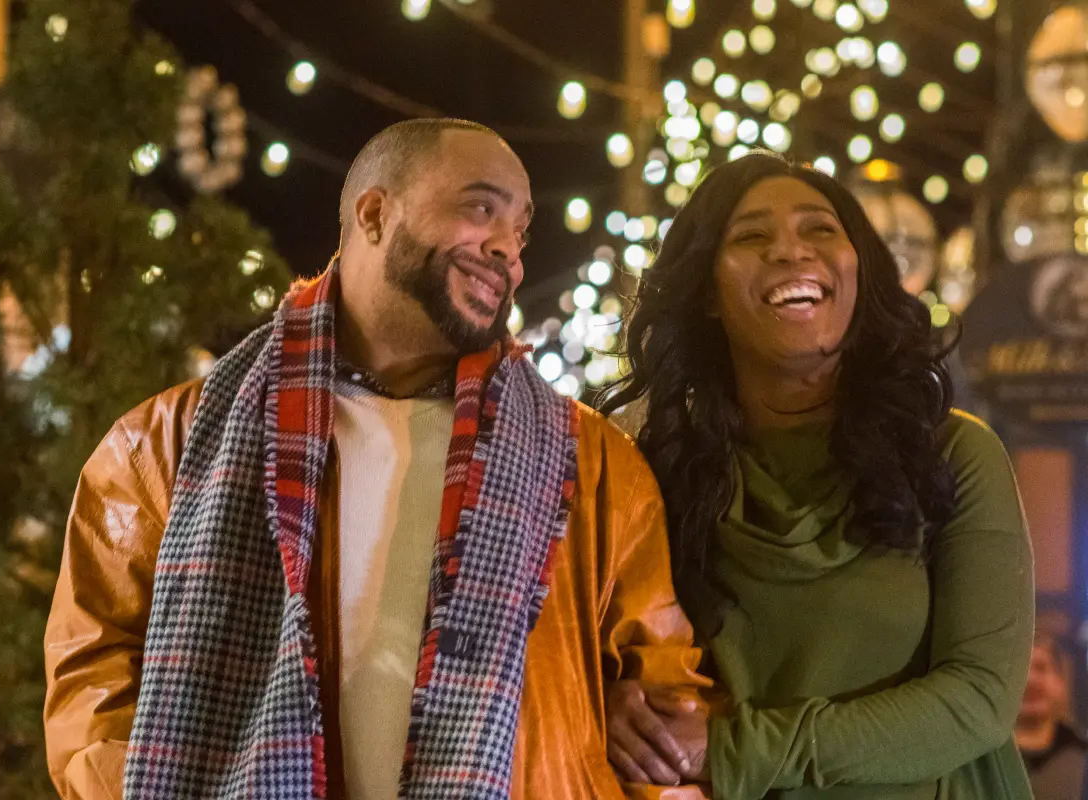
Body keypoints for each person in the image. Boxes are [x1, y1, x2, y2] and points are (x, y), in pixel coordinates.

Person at [43, 118, 711, 800]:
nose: (509, 250)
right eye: (481, 209)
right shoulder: (165, 447)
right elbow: (92, 684)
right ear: (373, 213)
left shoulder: (592, 464)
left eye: (521, 230)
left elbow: (663, 719)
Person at [602, 151, 1035, 799]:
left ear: (859, 272)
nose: (790, 251)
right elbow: (617, 658)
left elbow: (977, 699)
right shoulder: (655, 475)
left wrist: (735, 750)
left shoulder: (952, 455)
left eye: (821, 230)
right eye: (751, 236)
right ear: (708, 295)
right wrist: (613, 707)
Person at [1017, 634, 1088, 799]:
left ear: (1060, 682)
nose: (1030, 680)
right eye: (1020, 672)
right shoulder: (978, 760)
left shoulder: (1083, 759)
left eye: (1040, 667)